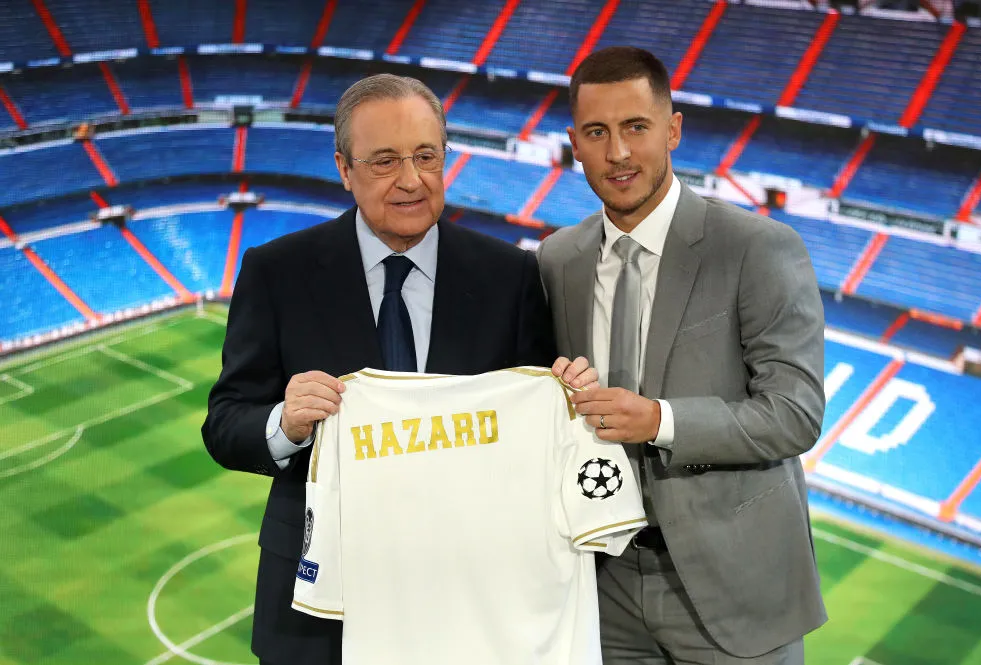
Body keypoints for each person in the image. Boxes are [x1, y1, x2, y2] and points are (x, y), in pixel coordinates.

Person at [202, 73, 594, 665]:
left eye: (426, 156)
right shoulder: (276, 272)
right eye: (385, 161)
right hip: (319, 604)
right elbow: (226, 423)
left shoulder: (508, 277)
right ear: (344, 168)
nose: (411, 180)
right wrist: (286, 423)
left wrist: (567, 398)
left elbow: (533, 436)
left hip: (467, 598)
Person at [535, 47, 828, 665]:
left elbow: (795, 413)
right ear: (574, 143)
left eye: (636, 127)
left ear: (672, 129)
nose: (617, 153)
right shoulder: (558, 259)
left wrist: (660, 421)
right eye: (597, 132)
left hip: (734, 587)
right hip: (604, 585)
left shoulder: (758, 249)